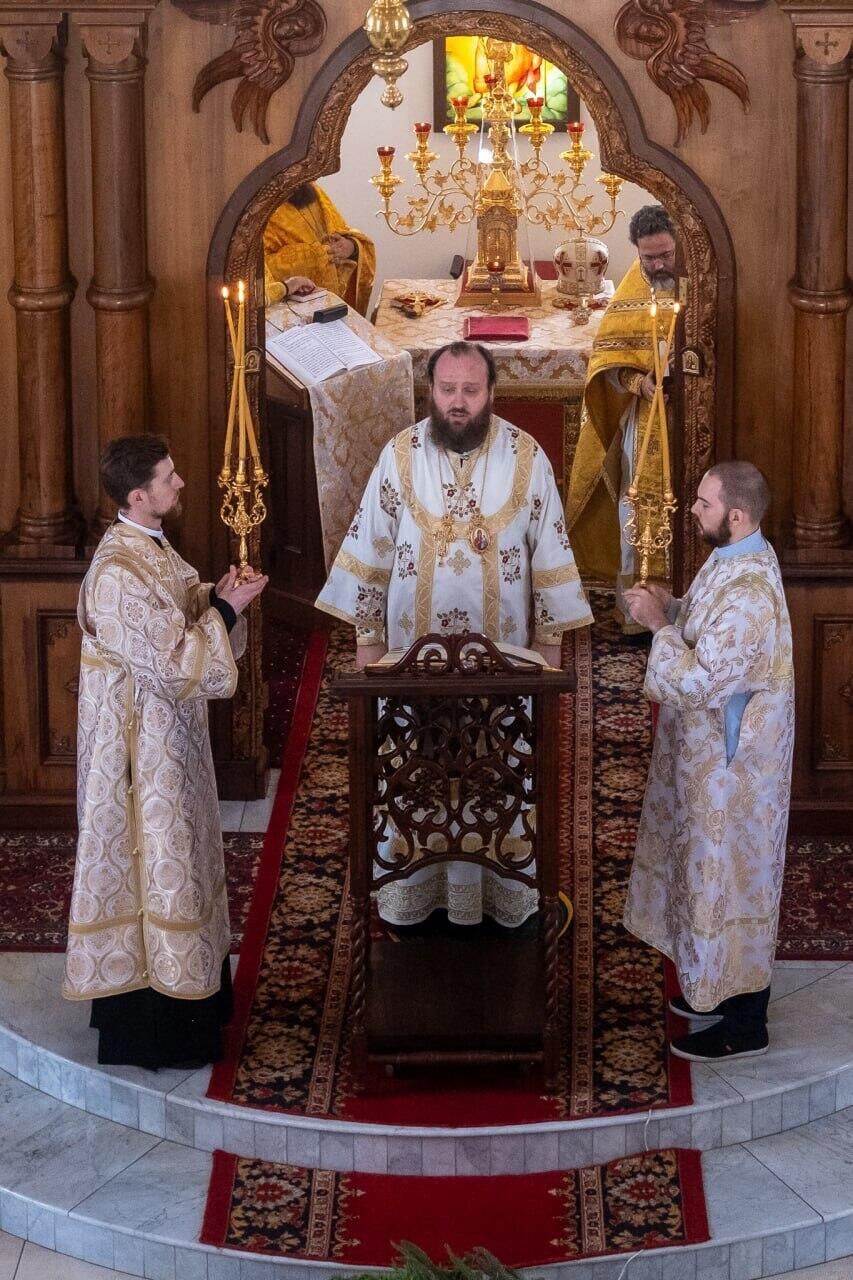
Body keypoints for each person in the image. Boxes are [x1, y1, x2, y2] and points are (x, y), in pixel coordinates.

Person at [316, 340, 593, 928]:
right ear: (431, 392)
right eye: (448, 391)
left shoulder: (526, 456)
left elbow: (550, 566)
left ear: (492, 393)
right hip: (412, 669)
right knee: (417, 777)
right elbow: (371, 559)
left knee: (496, 778)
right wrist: (371, 661)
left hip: (507, 669)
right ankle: (414, 896)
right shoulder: (399, 456)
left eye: (471, 391)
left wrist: (546, 670)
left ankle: (502, 897)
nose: (458, 404)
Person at [62, 435, 268, 1069]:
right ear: (138, 495)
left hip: (164, 742)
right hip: (135, 762)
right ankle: (156, 1029)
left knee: (182, 863)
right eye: (169, 478)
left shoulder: (144, 547)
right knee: (156, 867)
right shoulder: (116, 574)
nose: (181, 484)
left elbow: (172, 610)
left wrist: (211, 597)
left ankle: (196, 1000)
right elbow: (178, 665)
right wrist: (226, 614)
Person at [622, 461, 794, 1062]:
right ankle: (714, 992)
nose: (691, 510)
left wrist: (653, 627)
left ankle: (746, 1022)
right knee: (706, 880)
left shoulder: (750, 592)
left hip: (735, 775)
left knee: (731, 887)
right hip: (713, 764)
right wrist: (673, 610)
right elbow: (702, 629)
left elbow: (697, 681)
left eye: (703, 503)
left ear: (736, 515)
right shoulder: (733, 559)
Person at [567, 204, 678, 631]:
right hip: (648, 417)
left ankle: (686, 606)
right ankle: (637, 613)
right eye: (649, 257)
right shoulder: (635, 286)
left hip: (696, 416)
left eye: (665, 254)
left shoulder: (701, 281)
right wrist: (639, 384)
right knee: (638, 506)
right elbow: (609, 359)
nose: (658, 264)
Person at [263, 182, 376, 316]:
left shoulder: (313, 191)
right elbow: (259, 271)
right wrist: (314, 256)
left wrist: (351, 246)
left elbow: (342, 230)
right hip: (294, 315)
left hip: (336, 305)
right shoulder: (261, 209)